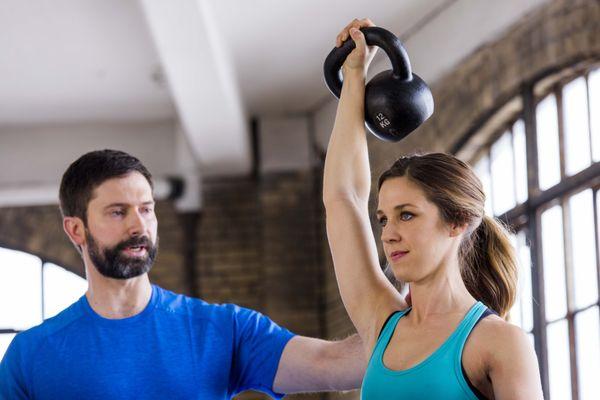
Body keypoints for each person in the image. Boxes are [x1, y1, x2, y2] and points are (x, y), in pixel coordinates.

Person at [0, 149, 366, 399]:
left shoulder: (223, 329)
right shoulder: (31, 356)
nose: (137, 225)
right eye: (117, 212)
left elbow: (336, 365)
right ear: (76, 230)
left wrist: (409, 312)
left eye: (146, 209)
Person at [322, 18, 544, 400]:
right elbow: (343, 198)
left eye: (407, 214)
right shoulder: (382, 324)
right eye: (383, 219)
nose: (389, 232)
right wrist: (354, 74)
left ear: (457, 222)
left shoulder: (498, 343)